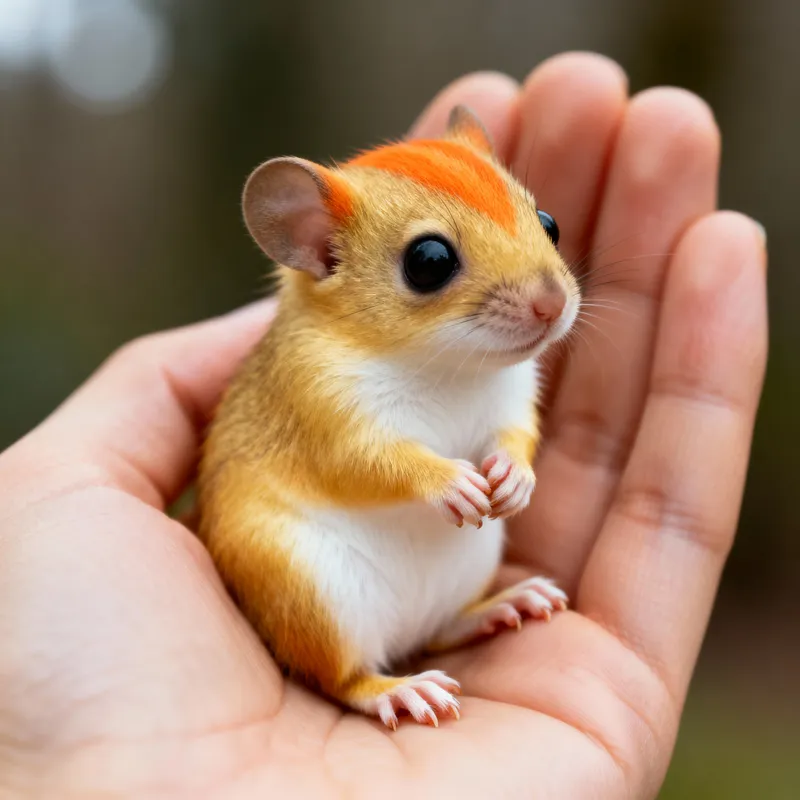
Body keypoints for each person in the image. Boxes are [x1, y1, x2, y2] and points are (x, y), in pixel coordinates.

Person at [0, 52, 767, 798]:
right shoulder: (324, 362)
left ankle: (449, 620)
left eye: (541, 226)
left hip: (426, 572)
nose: (544, 296)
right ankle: (355, 677)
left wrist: (512, 458)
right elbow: (346, 458)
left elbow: (511, 423)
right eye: (433, 263)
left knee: (481, 528)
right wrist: (431, 475)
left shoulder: (497, 355)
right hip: (318, 533)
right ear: (322, 252)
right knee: (290, 545)